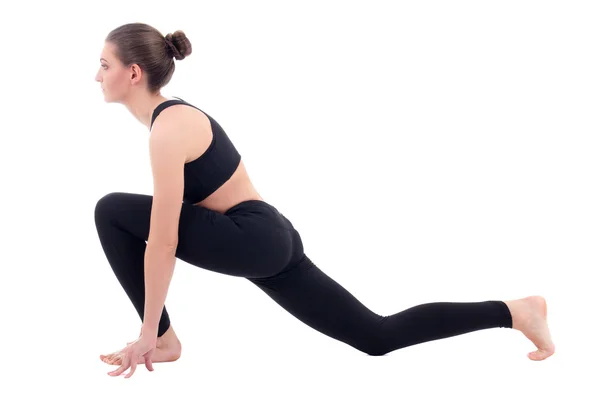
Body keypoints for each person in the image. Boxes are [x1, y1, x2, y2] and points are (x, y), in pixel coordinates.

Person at [94, 23, 555, 378]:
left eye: (105, 64)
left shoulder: (168, 128)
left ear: (133, 73)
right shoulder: (171, 121)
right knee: (377, 336)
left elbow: (163, 238)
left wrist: (148, 334)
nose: (97, 75)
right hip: (268, 239)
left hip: (252, 236)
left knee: (112, 211)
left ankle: (163, 339)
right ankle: (515, 312)